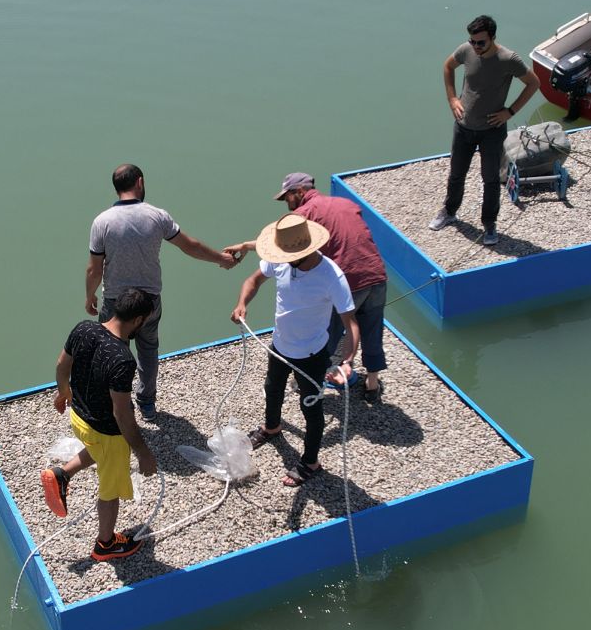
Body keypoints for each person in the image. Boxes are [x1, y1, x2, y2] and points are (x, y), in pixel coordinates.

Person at [85, 163, 239, 417]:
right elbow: (191, 246)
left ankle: (115, 404)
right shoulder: (157, 216)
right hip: (149, 301)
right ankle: (147, 402)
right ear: (140, 182)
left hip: (115, 301)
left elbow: (94, 269)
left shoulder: (102, 222)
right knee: (148, 349)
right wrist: (221, 259)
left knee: (111, 351)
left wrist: (89, 295)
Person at [224, 173, 388, 403]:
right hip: (376, 274)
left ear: (299, 192)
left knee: (326, 333)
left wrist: (244, 246)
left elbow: (279, 244)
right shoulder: (346, 203)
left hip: (346, 280)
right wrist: (245, 246)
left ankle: (310, 378)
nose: (287, 205)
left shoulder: (304, 215)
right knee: (372, 327)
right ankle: (372, 383)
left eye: (287, 198)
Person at [231, 215, 361, 487]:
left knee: (311, 410)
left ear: (304, 252)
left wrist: (347, 362)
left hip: (312, 354)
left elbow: (351, 323)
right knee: (272, 387)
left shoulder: (331, 276)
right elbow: (252, 281)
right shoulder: (281, 260)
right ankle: (272, 427)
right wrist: (242, 303)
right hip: (280, 344)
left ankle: (311, 462)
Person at [42, 287, 161, 562]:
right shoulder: (122, 359)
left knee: (97, 450)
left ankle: (62, 474)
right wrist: (143, 452)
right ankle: (105, 545)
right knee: (110, 490)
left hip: (78, 418)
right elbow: (121, 414)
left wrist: (63, 392)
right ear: (139, 320)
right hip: (106, 432)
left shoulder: (84, 329)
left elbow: (61, 365)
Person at [434, 15, 537, 246]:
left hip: (492, 130)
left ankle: (489, 225)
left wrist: (509, 112)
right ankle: (449, 212)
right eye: (472, 41)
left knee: (490, 179)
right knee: (456, 174)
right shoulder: (466, 50)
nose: (476, 47)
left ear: (493, 37)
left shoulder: (508, 59)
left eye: (481, 42)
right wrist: (452, 99)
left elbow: (534, 83)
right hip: (463, 127)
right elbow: (447, 66)